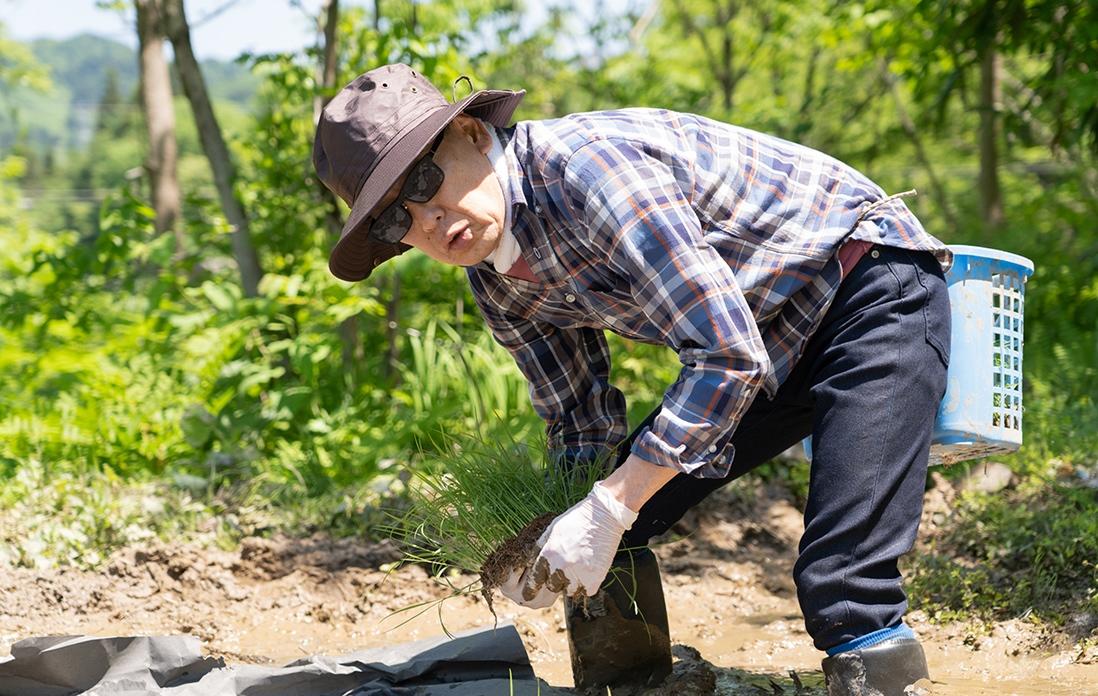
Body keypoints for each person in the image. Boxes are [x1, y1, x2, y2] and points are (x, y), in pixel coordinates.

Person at [313, 63, 951, 696]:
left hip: (864, 287)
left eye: (424, 179)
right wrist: (549, 536)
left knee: (840, 582)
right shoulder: (498, 283)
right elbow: (577, 418)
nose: (426, 219)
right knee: (613, 520)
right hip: (766, 339)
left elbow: (724, 355)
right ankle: (633, 685)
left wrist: (610, 505)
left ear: (475, 135)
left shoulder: (588, 171)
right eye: (397, 218)